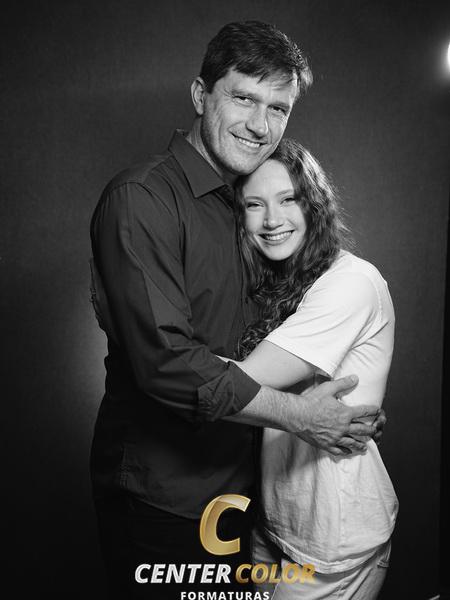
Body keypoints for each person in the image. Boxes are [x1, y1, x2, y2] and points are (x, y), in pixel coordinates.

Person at [89, 20, 385, 599]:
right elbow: (168, 363)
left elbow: (275, 335)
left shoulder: (253, 205)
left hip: (247, 493)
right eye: (244, 98)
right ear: (201, 95)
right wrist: (302, 417)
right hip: (164, 499)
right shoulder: (142, 198)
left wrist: (351, 409)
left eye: (278, 108)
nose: (260, 124)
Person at [227, 138, 398, 599]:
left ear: (315, 204)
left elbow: (238, 383)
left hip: (332, 538)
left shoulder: (350, 282)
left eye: (288, 199)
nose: (272, 220)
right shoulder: (277, 283)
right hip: (275, 521)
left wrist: (154, 357)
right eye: (254, 204)